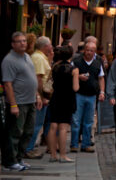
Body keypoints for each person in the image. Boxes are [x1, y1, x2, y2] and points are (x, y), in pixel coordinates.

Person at [2, 32, 42, 171]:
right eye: (19, 41)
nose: (23, 43)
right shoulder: (9, 60)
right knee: (15, 132)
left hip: (30, 101)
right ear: (13, 44)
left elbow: (31, 78)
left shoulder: (26, 57)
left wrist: (37, 95)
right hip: (18, 102)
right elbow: (7, 84)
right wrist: (13, 105)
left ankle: (19, 158)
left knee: (28, 131)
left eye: (24, 41)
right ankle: (9, 161)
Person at [71, 41, 105, 153]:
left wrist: (102, 92)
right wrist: (78, 76)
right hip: (78, 94)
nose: (89, 52)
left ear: (94, 52)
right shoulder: (76, 61)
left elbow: (101, 78)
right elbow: (69, 74)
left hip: (91, 96)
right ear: (84, 50)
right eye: (87, 50)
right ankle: (74, 144)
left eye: (91, 51)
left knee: (89, 121)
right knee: (76, 120)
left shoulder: (97, 63)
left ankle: (86, 144)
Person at [46, 45, 78, 163]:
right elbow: (75, 88)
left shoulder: (55, 67)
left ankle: (53, 154)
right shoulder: (74, 69)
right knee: (63, 127)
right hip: (67, 99)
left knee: (53, 126)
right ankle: (63, 155)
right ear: (71, 55)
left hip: (55, 98)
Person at [26, 36, 53, 159]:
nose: (51, 47)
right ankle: (28, 148)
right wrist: (41, 96)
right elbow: (38, 78)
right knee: (36, 123)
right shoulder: (38, 58)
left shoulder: (41, 57)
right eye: (50, 45)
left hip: (40, 95)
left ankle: (30, 147)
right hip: (38, 96)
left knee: (39, 122)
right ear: (45, 46)